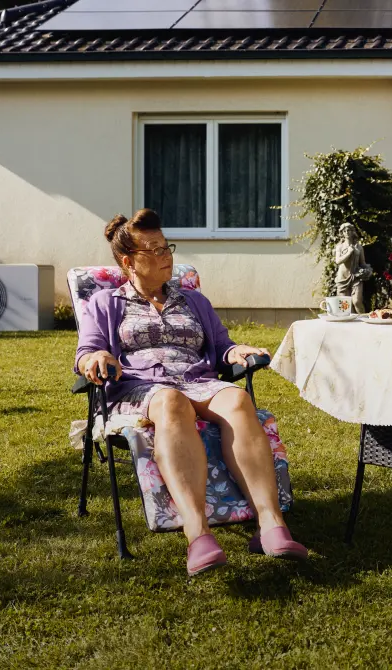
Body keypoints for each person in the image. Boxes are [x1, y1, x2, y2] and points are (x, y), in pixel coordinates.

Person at [76, 209, 307, 576]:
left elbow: (220, 346)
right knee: (171, 402)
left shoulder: (193, 301)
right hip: (142, 386)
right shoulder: (105, 303)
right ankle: (197, 534)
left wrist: (236, 352)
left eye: (167, 248)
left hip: (196, 380)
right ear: (128, 261)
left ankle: (270, 525)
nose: (166, 256)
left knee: (238, 399)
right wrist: (97, 356)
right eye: (154, 250)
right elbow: (86, 351)